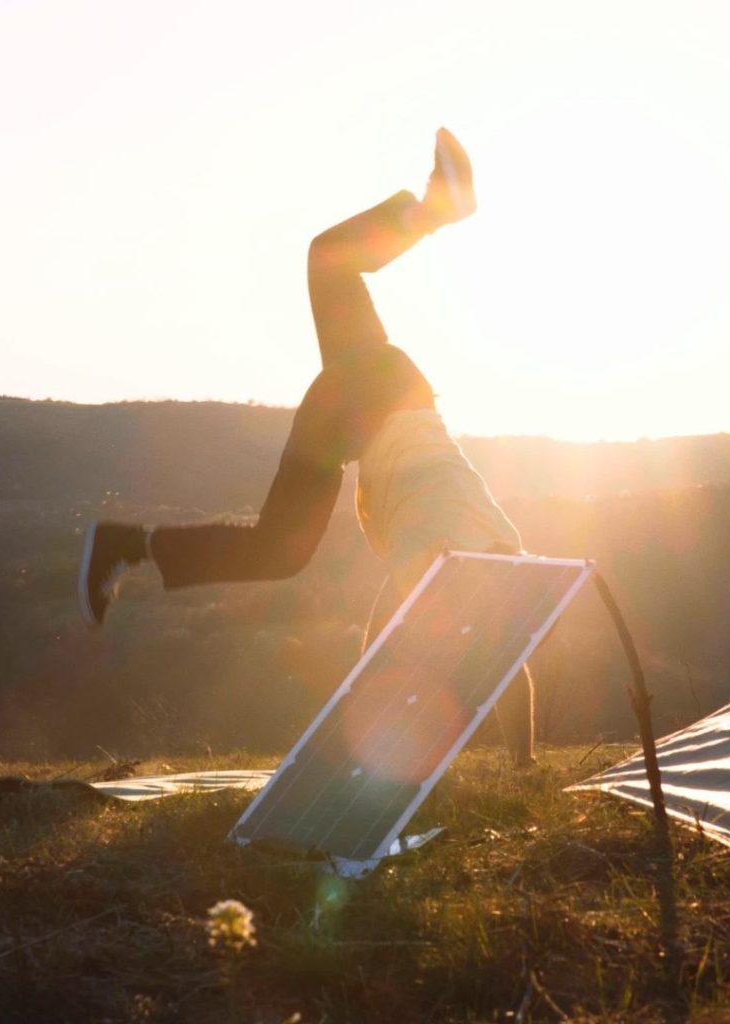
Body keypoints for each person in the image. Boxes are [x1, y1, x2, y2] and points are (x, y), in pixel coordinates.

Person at [78, 129, 536, 765]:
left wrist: (524, 766)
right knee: (279, 549)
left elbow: (508, 659)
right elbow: (391, 648)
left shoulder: (500, 544)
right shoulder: (437, 560)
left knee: (329, 259)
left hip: (395, 386)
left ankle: (127, 545)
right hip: (361, 407)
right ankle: (125, 545)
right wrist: (369, 749)